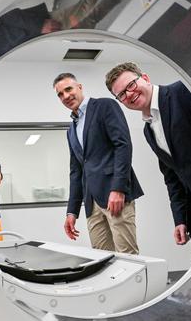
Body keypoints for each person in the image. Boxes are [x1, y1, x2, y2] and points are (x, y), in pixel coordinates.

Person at [105, 62, 191, 259]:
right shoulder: (148, 130)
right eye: (121, 95)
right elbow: (173, 176)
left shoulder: (182, 93)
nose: (129, 94)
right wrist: (180, 219)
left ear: (146, 78)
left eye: (131, 85)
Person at [53, 72, 143, 254]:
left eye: (68, 89)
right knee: (101, 259)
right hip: (91, 203)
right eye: (60, 94)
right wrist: (72, 211)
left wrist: (119, 189)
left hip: (114, 196)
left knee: (128, 258)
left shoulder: (104, 106)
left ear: (80, 87)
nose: (66, 96)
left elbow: (123, 145)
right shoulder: (71, 130)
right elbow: (76, 172)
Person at [0, 0, 140, 70]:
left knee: (87, 4)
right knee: (93, 18)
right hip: (53, 36)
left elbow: (9, 16)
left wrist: (40, 26)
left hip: (48, 23)